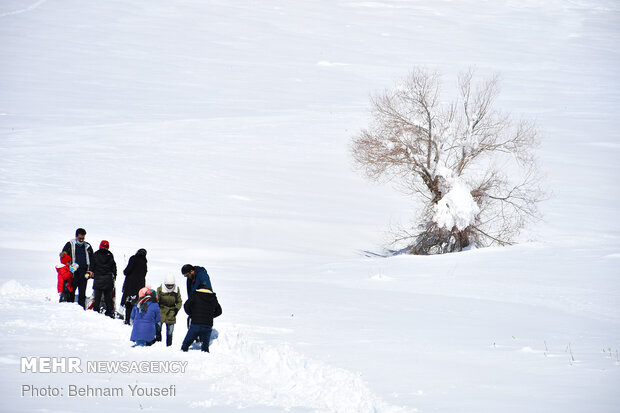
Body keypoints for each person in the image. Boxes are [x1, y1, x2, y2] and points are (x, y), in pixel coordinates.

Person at [181, 283, 222, 352]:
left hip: (195, 323)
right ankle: (205, 360)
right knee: (205, 347)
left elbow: (186, 306)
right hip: (207, 325)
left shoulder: (195, 294)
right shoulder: (213, 297)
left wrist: (192, 315)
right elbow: (219, 311)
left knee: (186, 344)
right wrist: (210, 316)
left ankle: (182, 354)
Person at [61, 228, 94, 308]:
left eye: (83, 238)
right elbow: (63, 257)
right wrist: (69, 265)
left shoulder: (87, 246)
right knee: (71, 291)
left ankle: (82, 308)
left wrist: (90, 270)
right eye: (80, 238)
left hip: (84, 272)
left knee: (82, 292)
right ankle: (70, 308)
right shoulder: (70, 244)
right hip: (73, 272)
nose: (81, 240)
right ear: (76, 236)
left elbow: (92, 259)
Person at [91, 240, 117, 318]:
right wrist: (114, 277)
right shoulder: (110, 255)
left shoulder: (96, 254)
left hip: (98, 278)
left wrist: (92, 274)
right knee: (108, 299)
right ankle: (110, 313)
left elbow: (92, 265)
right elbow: (114, 267)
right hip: (108, 279)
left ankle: (96, 311)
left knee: (97, 298)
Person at [121, 248, 147, 325]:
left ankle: (127, 319)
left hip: (130, 284)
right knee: (136, 303)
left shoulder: (133, 258)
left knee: (128, 302)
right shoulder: (144, 263)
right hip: (140, 286)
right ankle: (134, 320)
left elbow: (127, 271)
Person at [156, 274, 182, 347]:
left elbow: (179, 301)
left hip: (171, 312)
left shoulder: (176, 290)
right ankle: (158, 344)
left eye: (171, 285)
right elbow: (156, 301)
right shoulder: (160, 289)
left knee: (170, 331)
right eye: (168, 285)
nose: (170, 287)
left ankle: (169, 346)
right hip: (161, 310)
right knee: (158, 329)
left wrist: (177, 308)